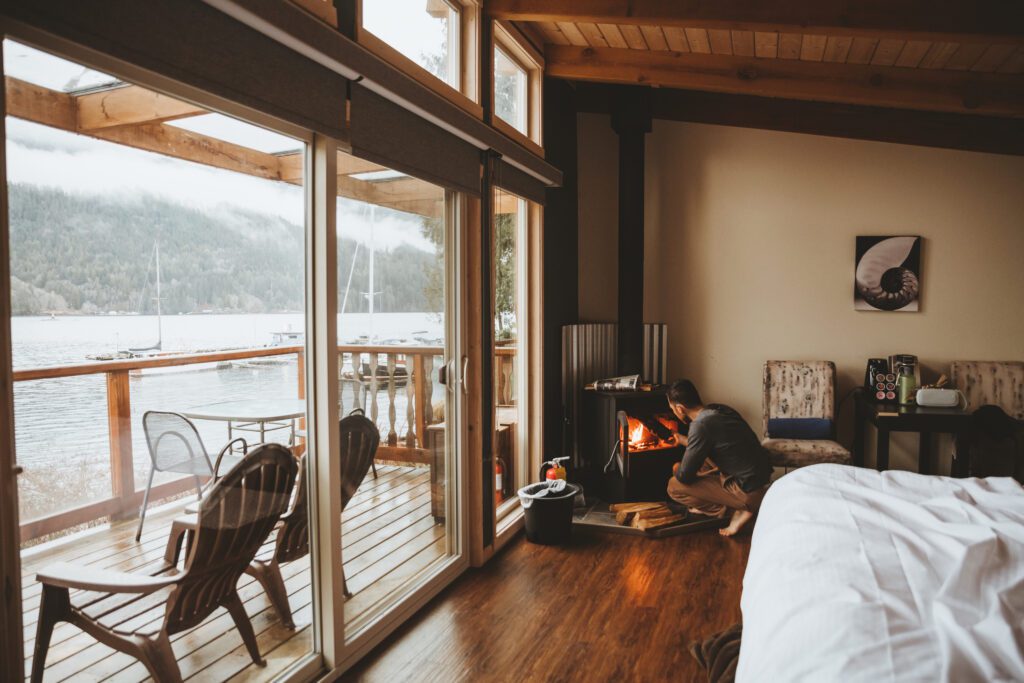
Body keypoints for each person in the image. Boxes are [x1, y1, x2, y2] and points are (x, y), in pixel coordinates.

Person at [665, 379, 773, 537]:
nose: (674, 412)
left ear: (680, 409)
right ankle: (740, 504)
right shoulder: (719, 410)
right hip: (760, 476)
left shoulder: (700, 425)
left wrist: (677, 468)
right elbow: (714, 446)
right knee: (701, 464)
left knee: (674, 486)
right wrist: (682, 439)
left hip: (747, 490)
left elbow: (685, 476)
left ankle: (735, 509)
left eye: (672, 409)